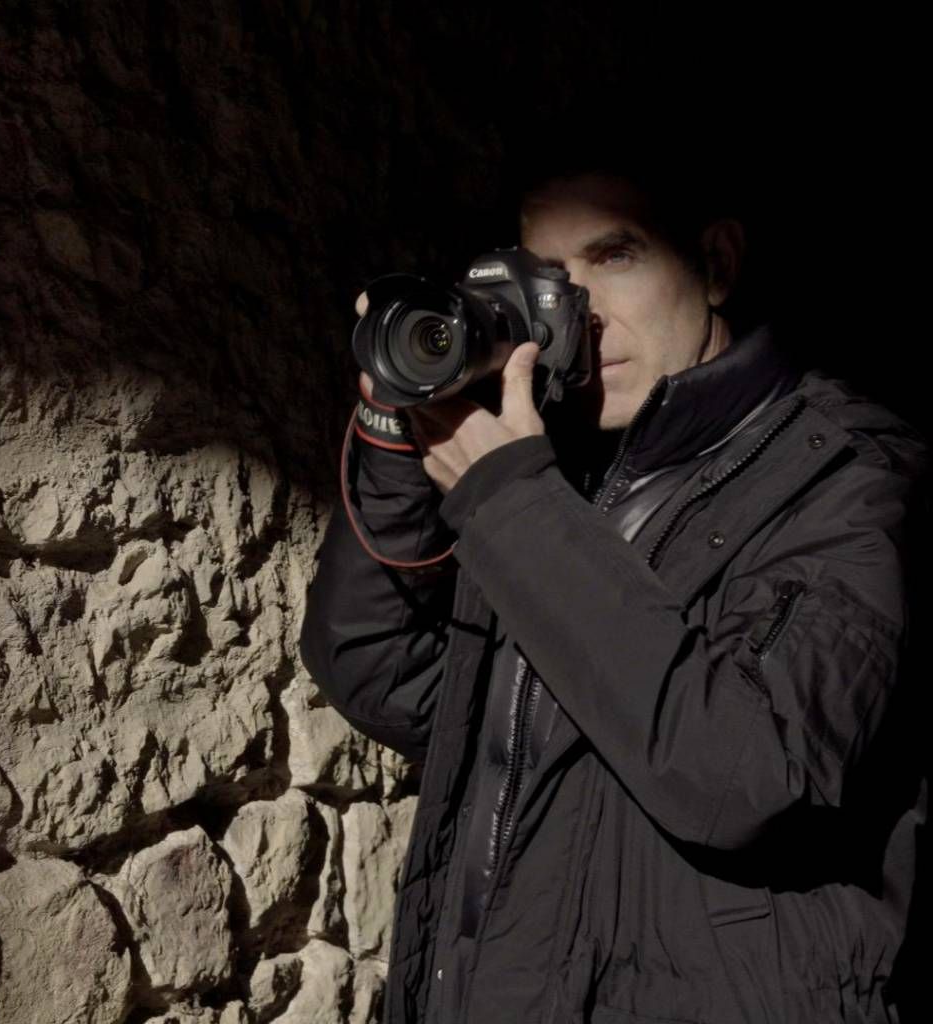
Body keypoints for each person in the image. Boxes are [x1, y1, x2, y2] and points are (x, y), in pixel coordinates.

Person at [298, 154, 929, 1023]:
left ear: (717, 264)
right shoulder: (556, 471)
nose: (580, 312)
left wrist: (510, 501)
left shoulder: (854, 479)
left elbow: (751, 773)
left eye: (615, 257)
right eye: (549, 277)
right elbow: (383, 675)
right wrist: (399, 439)